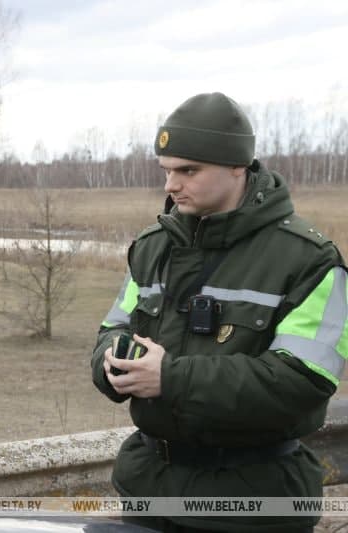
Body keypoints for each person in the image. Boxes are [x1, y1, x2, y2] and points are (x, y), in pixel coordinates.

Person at [91, 92, 347, 532]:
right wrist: (114, 362)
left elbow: (303, 382)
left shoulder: (309, 260)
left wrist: (170, 378)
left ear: (237, 166)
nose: (171, 185)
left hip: (255, 503)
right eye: (167, 171)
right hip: (148, 491)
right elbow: (113, 329)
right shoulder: (154, 247)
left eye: (188, 170)